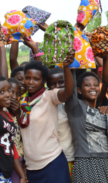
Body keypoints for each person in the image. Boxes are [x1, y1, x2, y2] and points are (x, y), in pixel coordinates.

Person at [19, 52, 74, 183]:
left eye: (36, 79)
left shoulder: (49, 96)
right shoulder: (23, 102)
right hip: (31, 168)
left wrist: (66, 67)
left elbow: (68, 92)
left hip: (52, 163)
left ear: (44, 81)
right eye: (27, 78)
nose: (30, 82)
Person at [65, 53, 108, 183]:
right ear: (79, 90)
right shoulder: (75, 108)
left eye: (95, 85)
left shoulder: (101, 107)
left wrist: (105, 58)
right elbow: (69, 90)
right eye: (87, 85)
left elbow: (106, 82)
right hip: (87, 162)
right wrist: (68, 67)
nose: (93, 88)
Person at [47, 68, 75, 182]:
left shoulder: (74, 102)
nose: (57, 86)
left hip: (72, 156)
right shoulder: (47, 104)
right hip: (53, 159)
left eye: (61, 82)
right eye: (52, 84)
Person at [6, 78, 26, 183]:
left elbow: (26, 137)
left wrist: (18, 114)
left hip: (20, 160)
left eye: (17, 93)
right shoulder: (3, 112)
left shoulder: (22, 112)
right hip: (6, 161)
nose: (13, 97)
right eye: (10, 91)